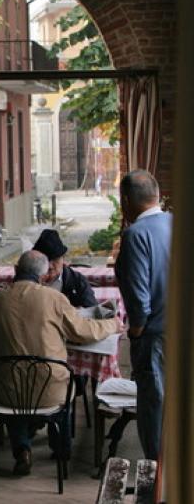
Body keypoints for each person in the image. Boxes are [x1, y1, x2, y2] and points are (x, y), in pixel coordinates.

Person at [0, 250, 121, 475]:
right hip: (51, 391)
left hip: (9, 392)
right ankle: (61, 450)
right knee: (66, 388)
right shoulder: (54, 299)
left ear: (16, 271)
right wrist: (112, 325)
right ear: (43, 276)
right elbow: (83, 332)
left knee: (14, 386)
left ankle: (21, 450)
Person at [115, 169, 172, 461]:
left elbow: (139, 300)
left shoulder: (136, 235)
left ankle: (159, 481)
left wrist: (135, 333)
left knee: (154, 412)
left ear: (126, 200)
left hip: (155, 338)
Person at [32, 229, 97, 308]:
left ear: (63, 258)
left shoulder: (77, 281)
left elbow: (92, 310)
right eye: (45, 260)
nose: (50, 266)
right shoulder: (27, 280)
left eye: (55, 260)